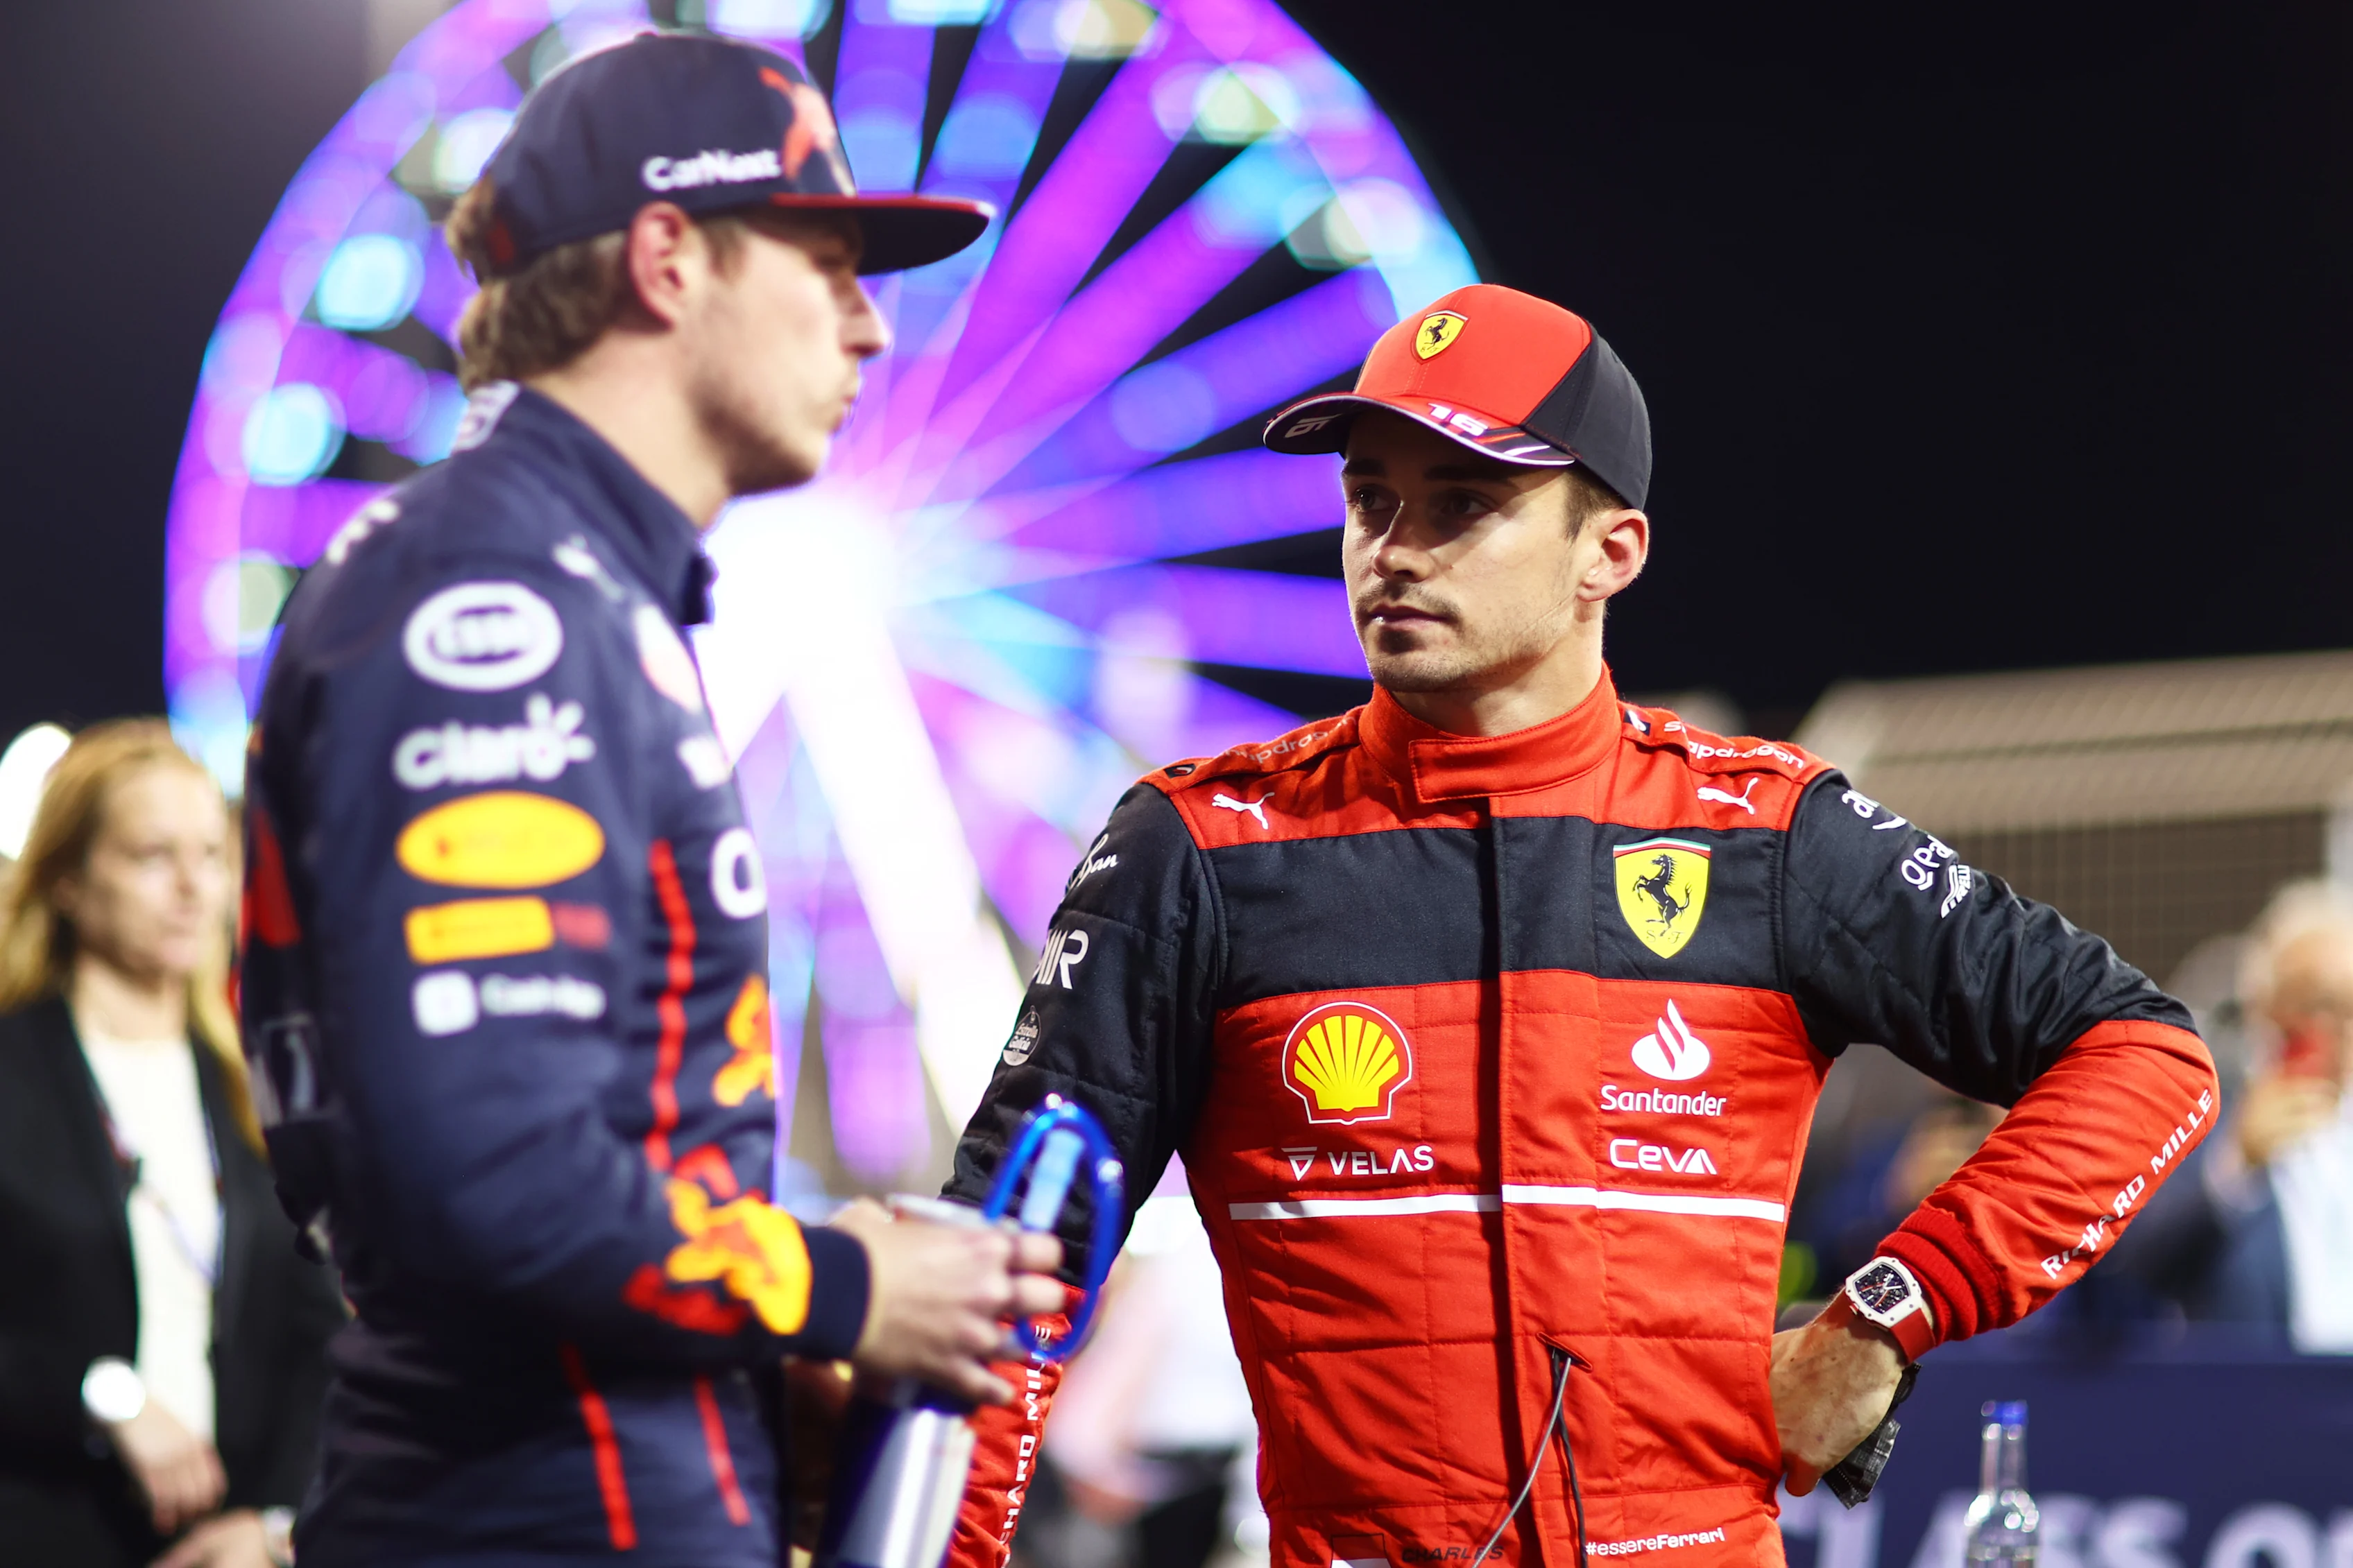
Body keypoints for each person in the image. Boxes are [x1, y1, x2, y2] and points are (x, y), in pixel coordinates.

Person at [943, 284, 2221, 1567]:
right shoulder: (1200, 847)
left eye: (1461, 505)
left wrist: (1886, 1315)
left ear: (1610, 551)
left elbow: (2145, 1054)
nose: (1394, 550)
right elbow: (1005, 1267)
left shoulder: (1768, 837)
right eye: (1369, 499)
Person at [239, 34, 1059, 1565]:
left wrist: (743, 1381)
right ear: (669, 258)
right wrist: (842, 1288)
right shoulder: (493, 598)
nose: (870, 325)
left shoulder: (554, 581)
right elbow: (487, 1166)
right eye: (829, 265)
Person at [0, 721, 343, 1568]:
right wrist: (102, 1395)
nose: (193, 887)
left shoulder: (256, 1083)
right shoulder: (15, 1070)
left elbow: (315, 1334)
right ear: (69, 880)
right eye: (154, 855)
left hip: (223, 1545)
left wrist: (271, 1521)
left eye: (213, 855)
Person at [2108, 880, 2353, 1349]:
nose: (2340, 1026)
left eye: (2351, 1003)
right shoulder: (2201, 1122)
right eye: (2321, 1002)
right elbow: (2136, 1265)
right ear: (2267, 1007)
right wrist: (2236, 1162)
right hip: (2256, 1386)